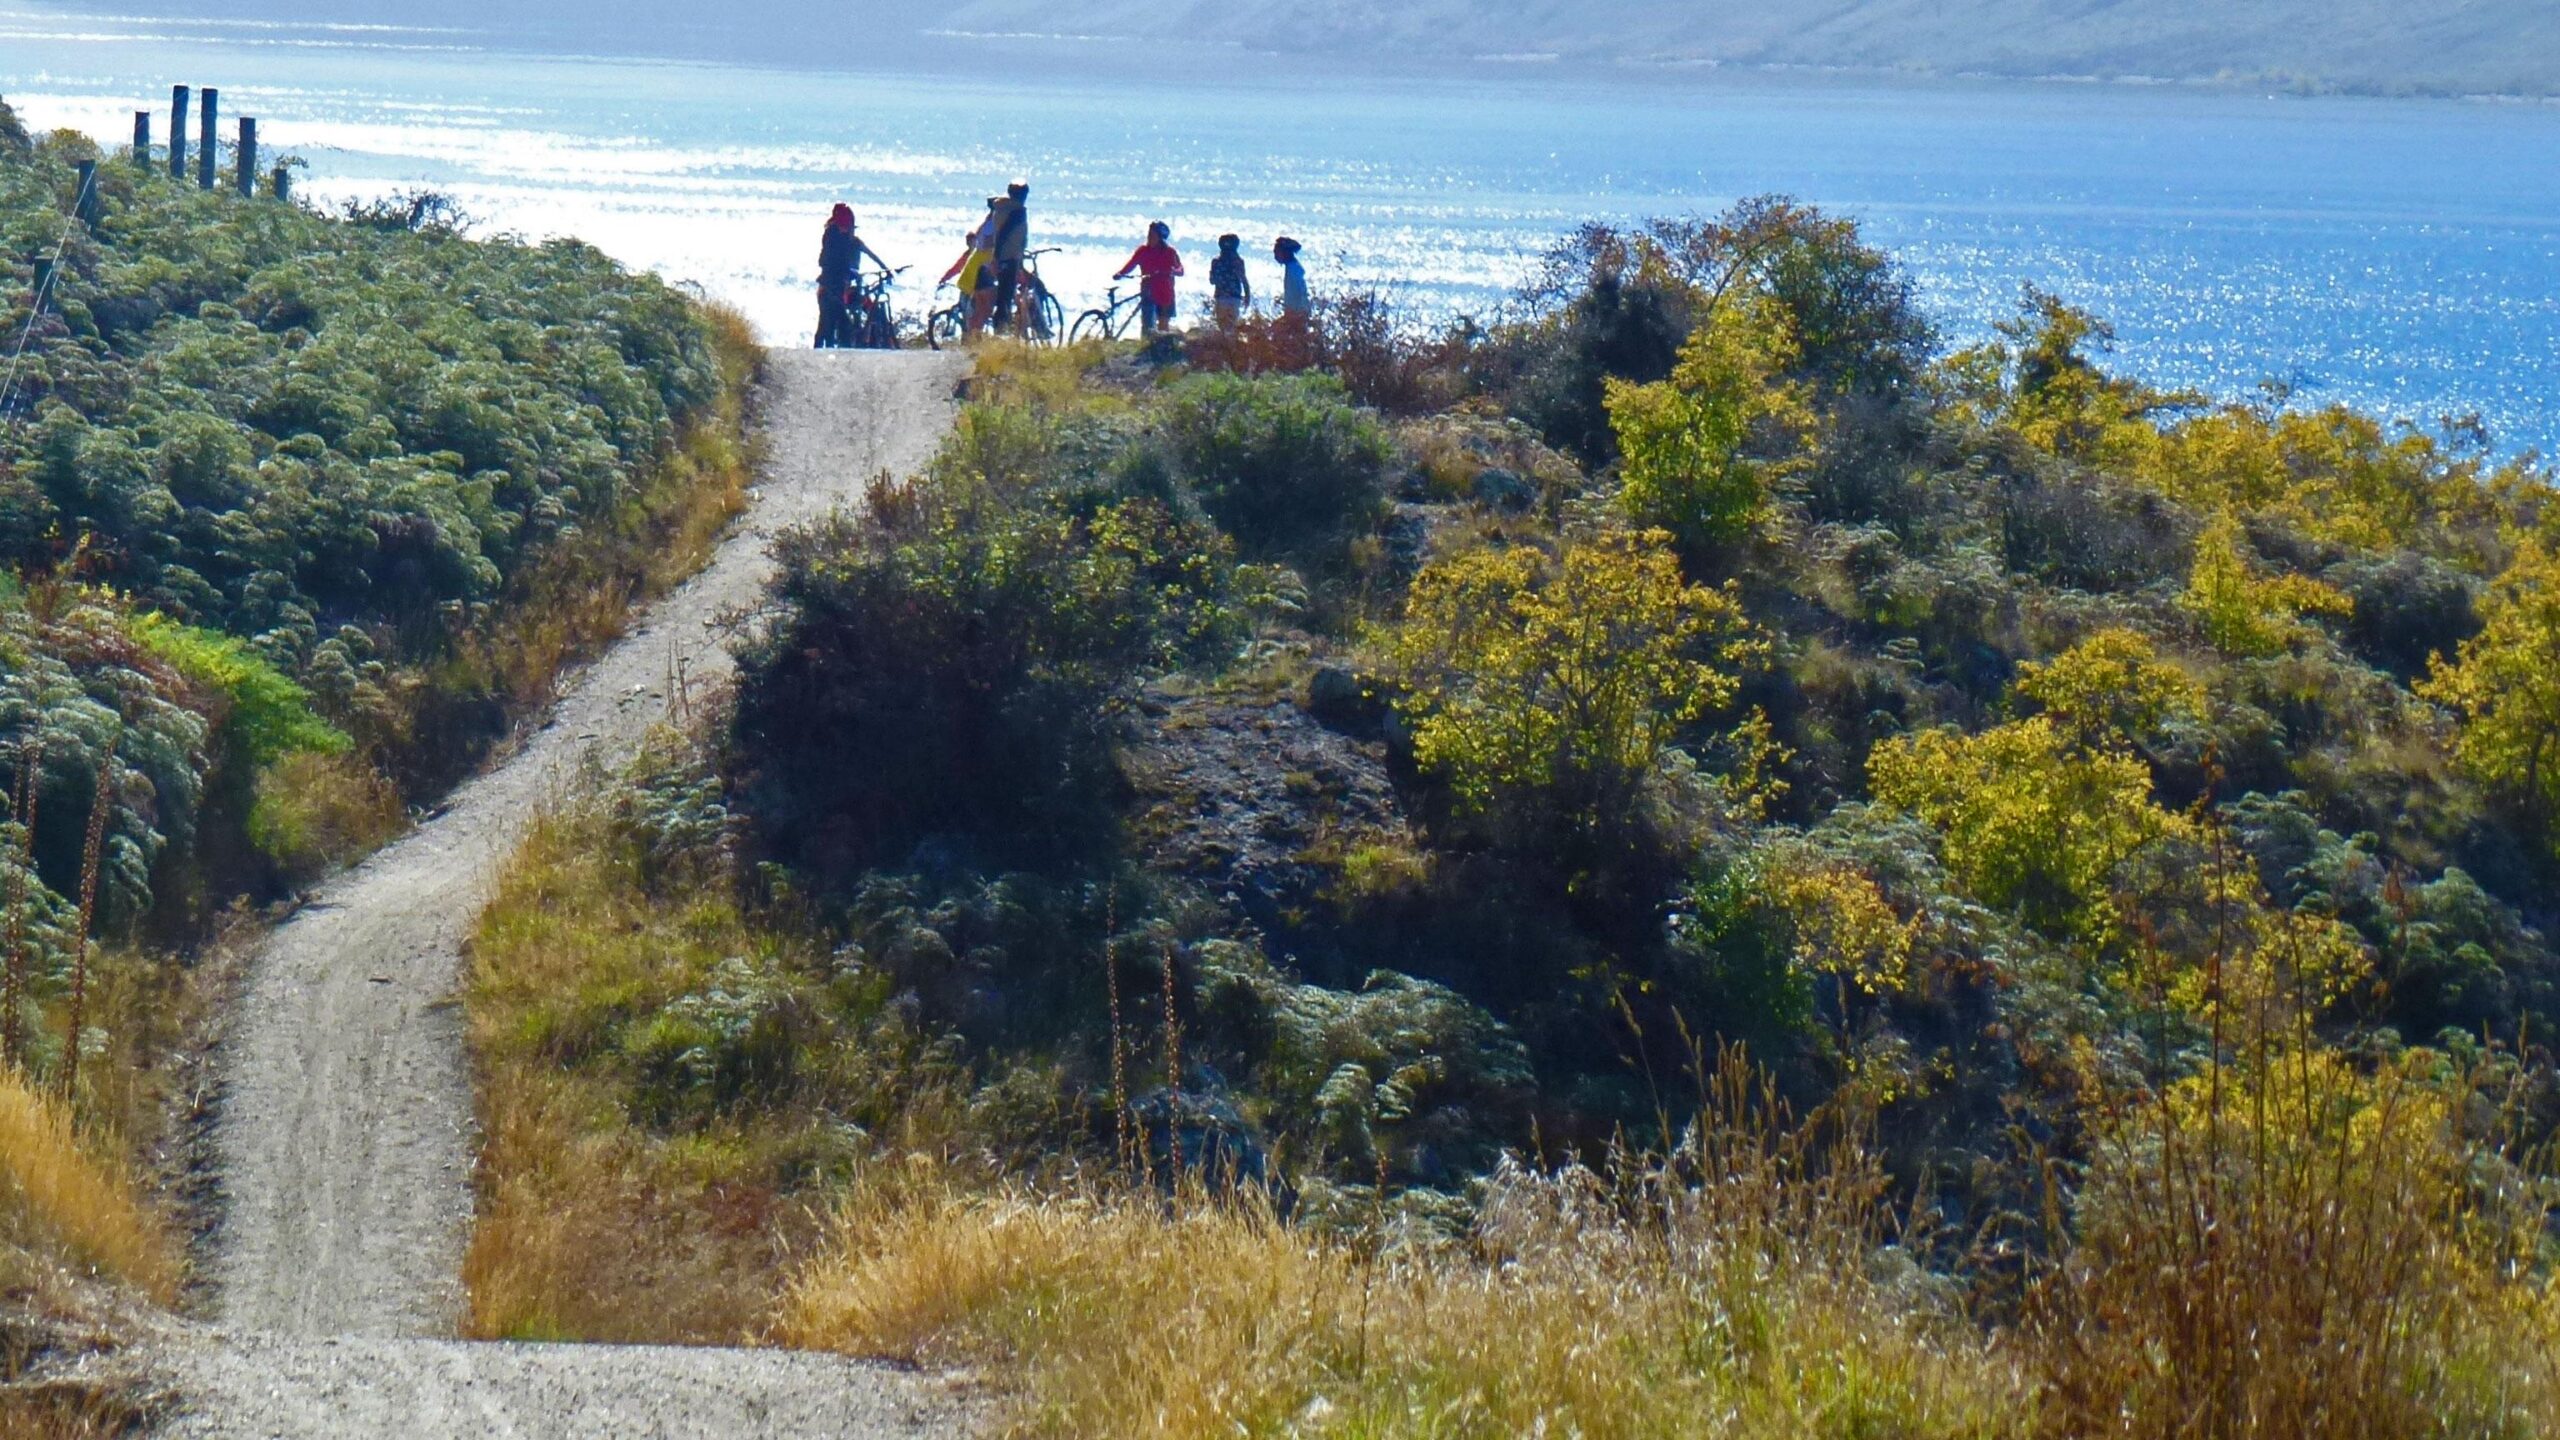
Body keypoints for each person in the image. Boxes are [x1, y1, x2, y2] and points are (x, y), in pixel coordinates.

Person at [816, 203, 888, 348]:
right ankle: (833, 352)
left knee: (829, 322)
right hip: (832, 286)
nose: (851, 230)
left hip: (838, 285)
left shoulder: (846, 239)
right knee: (832, 323)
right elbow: (827, 261)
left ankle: (830, 350)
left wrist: (886, 269)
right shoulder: (834, 238)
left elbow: (871, 254)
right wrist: (847, 273)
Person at [1115, 221, 1185, 337]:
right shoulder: (1143, 250)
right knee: (1147, 323)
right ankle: (1147, 345)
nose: (1149, 238)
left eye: (1152, 235)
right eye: (1149, 235)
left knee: (1163, 324)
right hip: (1148, 290)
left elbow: (1180, 270)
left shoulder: (1169, 252)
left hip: (1165, 292)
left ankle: (1163, 348)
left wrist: (1173, 271)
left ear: (1160, 238)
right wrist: (1121, 273)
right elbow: (1132, 264)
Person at [986, 179, 1030, 335]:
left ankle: (1004, 329)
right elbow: (1005, 235)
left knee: (1005, 295)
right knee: (1005, 297)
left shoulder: (1001, 207)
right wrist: (996, 257)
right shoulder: (1017, 212)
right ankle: (1000, 333)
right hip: (1010, 258)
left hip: (1006, 257)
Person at [1209, 233, 1250, 328]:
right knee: (1232, 326)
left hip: (1221, 297)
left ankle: (1223, 342)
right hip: (1235, 297)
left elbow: (1212, 281)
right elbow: (1243, 279)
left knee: (1222, 326)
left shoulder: (1216, 262)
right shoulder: (1238, 261)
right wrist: (1247, 295)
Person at [1274, 235, 1311, 321]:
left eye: (1276, 252)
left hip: (1296, 314)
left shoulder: (1293, 269)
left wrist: (1294, 314)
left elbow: (1297, 294)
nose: (1275, 256)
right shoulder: (1292, 267)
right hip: (1295, 313)